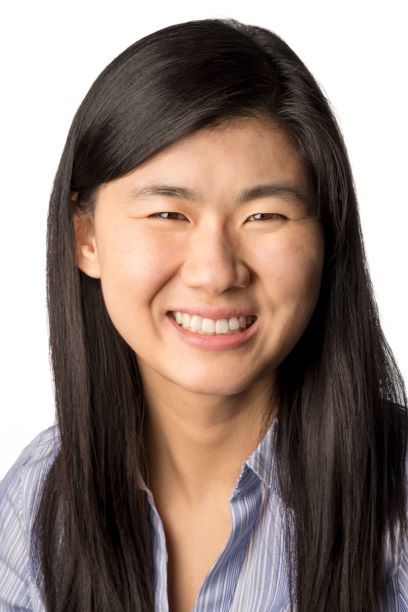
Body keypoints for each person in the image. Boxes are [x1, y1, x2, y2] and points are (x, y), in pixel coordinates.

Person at [0, 17, 407, 612]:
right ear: (85, 237)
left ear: (328, 237)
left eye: (265, 216)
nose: (216, 272)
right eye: (168, 214)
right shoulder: (37, 501)